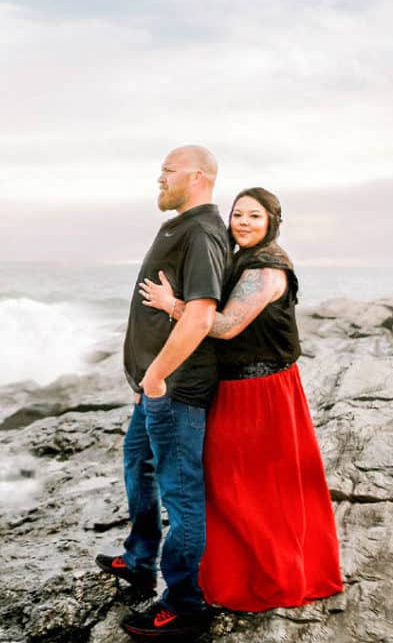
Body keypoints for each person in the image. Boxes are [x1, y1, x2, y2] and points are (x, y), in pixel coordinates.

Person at [137, 187, 343, 613]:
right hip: (243, 388)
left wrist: (172, 304)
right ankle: (244, 573)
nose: (244, 223)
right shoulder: (242, 259)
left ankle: (271, 578)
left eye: (254, 216)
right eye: (237, 215)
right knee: (241, 488)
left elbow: (228, 325)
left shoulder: (266, 270)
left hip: (260, 393)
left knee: (247, 489)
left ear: (271, 222)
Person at [95, 146, 230, 637]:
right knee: (137, 462)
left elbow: (199, 316)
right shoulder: (180, 224)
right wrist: (144, 382)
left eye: (168, 171)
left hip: (175, 389)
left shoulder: (202, 232)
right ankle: (138, 562)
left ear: (196, 177)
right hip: (154, 389)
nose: (159, 178)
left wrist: (156, 378)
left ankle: (185, 604)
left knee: (181, 492)